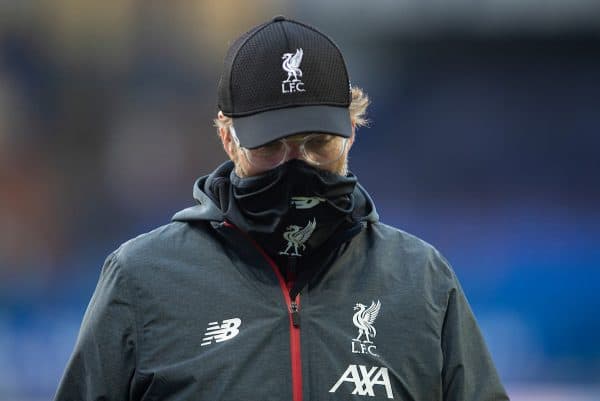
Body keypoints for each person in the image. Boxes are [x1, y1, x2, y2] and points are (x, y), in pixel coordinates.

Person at [54, 16, 509, 401]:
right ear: (227, 137)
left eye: (319, 143)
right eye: (272, 146)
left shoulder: (422, 282)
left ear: (352, 132)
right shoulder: (141, 280)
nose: (299, 163)